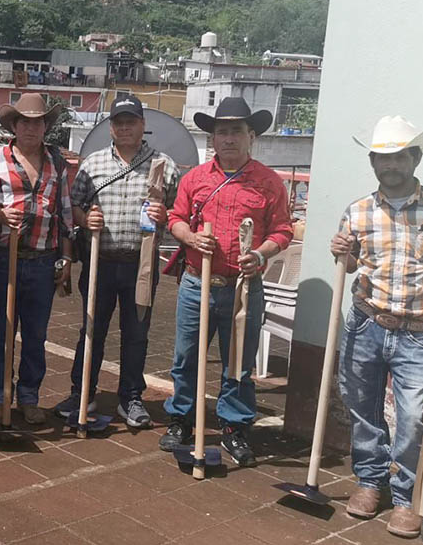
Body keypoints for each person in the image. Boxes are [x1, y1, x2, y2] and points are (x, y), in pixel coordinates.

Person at [332, 116, 423, 538]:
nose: (391, 165)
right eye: (383, 158)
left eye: (400, 156)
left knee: (414, 417)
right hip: (366, 323)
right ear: (373, 162)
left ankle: (405, 497)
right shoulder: (358, 211)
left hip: (419, 331)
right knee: (361, 406)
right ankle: (369, 481)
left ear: (415, 158)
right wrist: (341, 250)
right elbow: (350, 264)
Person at [161, 97, 293, 466]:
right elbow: (175, 218)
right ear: (213, 138)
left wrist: (261, 255)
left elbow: (283, 230)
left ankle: (234, 426)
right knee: (186, 357)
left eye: (237, 131)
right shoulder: (195, 178)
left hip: (243, 288)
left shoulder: (268, 182)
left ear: (251, 136)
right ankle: (181, 419)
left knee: (238, 361)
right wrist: (190, 238)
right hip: (197, 284)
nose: (229, 138)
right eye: (222, 132)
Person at [56, 96, 178, 428]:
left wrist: (165, 215)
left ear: (142, 125)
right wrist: (86, 219)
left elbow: (180, 213)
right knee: (91, 329)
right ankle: (82, 392)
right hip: (100, 262)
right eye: (119, 123)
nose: (125, 128)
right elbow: (73, 207)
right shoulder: (92, 164)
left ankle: (131, 398)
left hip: (142, 265)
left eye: (131, 122)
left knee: (136, 333)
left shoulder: (163, 166)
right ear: (111, 128)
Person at [0, 93, 74, 426]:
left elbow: (65, 214)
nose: (31, 128)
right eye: (24, 122)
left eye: (37, 122)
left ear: (46, 126)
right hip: (3, 259)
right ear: (14, 125)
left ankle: (29, 397)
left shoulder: (57, 162)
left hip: (42, 261)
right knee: (0, 333)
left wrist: (66, 259)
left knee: (36, 335)